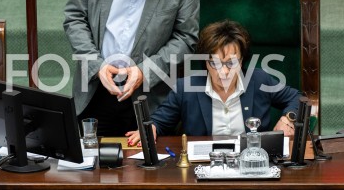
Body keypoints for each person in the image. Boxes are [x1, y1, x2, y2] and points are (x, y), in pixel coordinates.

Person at [63, 0, 199, 136]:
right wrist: (97, 65)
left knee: (146, 167)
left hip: (148, 94)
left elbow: (186, 37)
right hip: (97, 88)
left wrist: (145, 72)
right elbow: (75, 17)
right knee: (92, 166)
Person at [126, 20, 301, 145]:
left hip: (252, 162)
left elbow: (298, 98)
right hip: (203, 165)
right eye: (215, 63)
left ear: (241, 62)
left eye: (231, 63)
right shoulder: (185, 87)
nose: (223, 72)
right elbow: (160, 121)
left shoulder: (260, 79)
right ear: (205, 63)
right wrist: (153, 128)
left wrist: (288, 119)